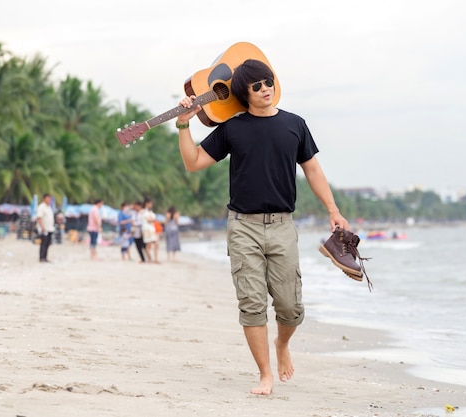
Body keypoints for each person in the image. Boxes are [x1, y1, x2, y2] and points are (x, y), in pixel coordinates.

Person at [176, 59, 349, 395]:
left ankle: (282, 344)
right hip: (243, 227)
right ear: (245, 92)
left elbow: (313, 171)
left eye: (268, 82)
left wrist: (333, 210)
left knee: (290, 307)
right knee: (251, 303)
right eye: (256, 86)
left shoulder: (295, 125)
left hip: (283, 226)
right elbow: (193, 162)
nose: (265, 89)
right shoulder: (232, 128)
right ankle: (265, 374)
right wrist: (184, 125)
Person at [36, 193, 56, 262]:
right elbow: (39, 217)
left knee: (48, 243)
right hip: (44, 228)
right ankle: (42, 257)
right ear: (44, 199)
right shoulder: (41, 207)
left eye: (49, 199)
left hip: (50, 228)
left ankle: (45, 257)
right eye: (47, 199)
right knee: (43, 243)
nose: (49, 200)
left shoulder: (49, 207)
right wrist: (42, 227)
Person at [140, 198, 157, 263]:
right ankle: (150, 259)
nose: (151, 205)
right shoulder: (143, 211)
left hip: (151, 229)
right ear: (147, 203)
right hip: (147, 230)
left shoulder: (150, 211)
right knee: (148, 245)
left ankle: (153, 259)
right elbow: (149, 220)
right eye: (150, 203)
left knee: (154, 244)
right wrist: (153, 220)